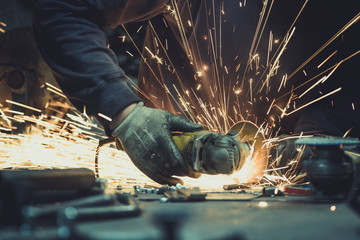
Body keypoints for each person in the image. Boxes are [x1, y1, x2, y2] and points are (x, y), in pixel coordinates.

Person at [33, 0, 360, 184]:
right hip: (170, 157)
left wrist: (314, 143)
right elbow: (63, 10)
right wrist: (125, 115)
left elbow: (346, 73)